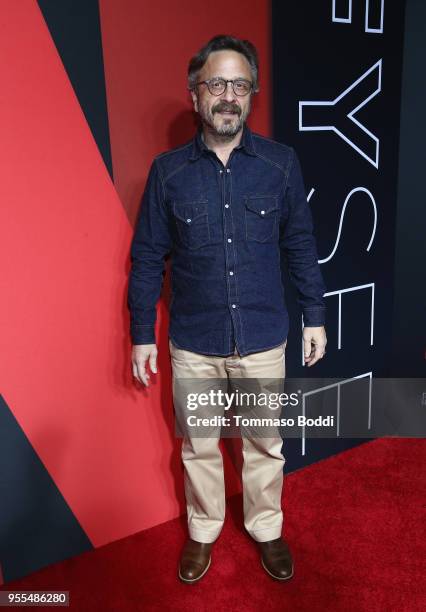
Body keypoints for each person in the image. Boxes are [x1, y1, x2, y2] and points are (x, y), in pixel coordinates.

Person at [127, 34, 327, 583]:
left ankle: (267, 527)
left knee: (266, 444)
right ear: (195, 95)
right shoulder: (168, 172)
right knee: (200, 446)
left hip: (264, 335)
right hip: (195, 341)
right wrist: (142, 333)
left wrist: (315, 313)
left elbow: (301, 246)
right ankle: (204, 531)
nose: (227, 95)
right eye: (216, 83)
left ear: (251, 94)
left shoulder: (280, 165)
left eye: (239, 84)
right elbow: (147, 257)